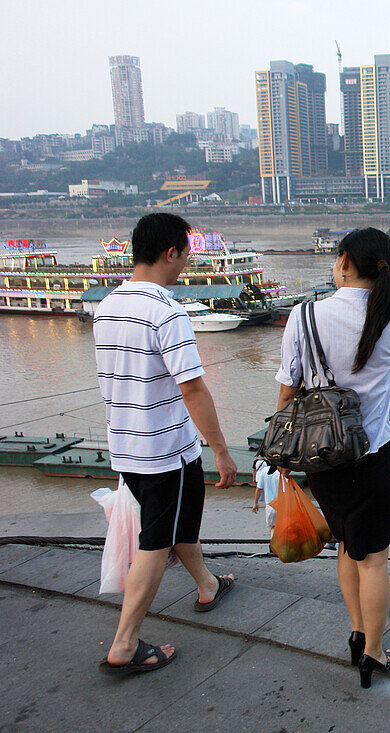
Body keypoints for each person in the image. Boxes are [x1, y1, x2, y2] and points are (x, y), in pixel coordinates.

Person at [275, 227, 390, 689]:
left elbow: (287, 385)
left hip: (322, 457)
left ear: (341, 262)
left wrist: (280, 449)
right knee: (373, 558)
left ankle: (357, 632)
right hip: (374, 453)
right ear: (385, 270)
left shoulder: (303, 316)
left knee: (344, 543)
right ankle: (375, 654)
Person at [94, 213, 238, 675]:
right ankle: (124, 642)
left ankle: (208, 584)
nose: (187, 262)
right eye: (186, 253)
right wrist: (220, 449)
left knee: (176, 523)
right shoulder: (167, 311)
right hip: (166, 452)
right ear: (171, 253)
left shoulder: (107, 306)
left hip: (127, 446)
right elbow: (193, 389)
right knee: (156, 541)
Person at [251, 457, 280, 537]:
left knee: (272, 529)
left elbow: (259, 489)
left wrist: (255, 503)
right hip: (282, 506)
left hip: (270, 506)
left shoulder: (265, 471)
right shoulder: (283, 472)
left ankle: (273, 547)